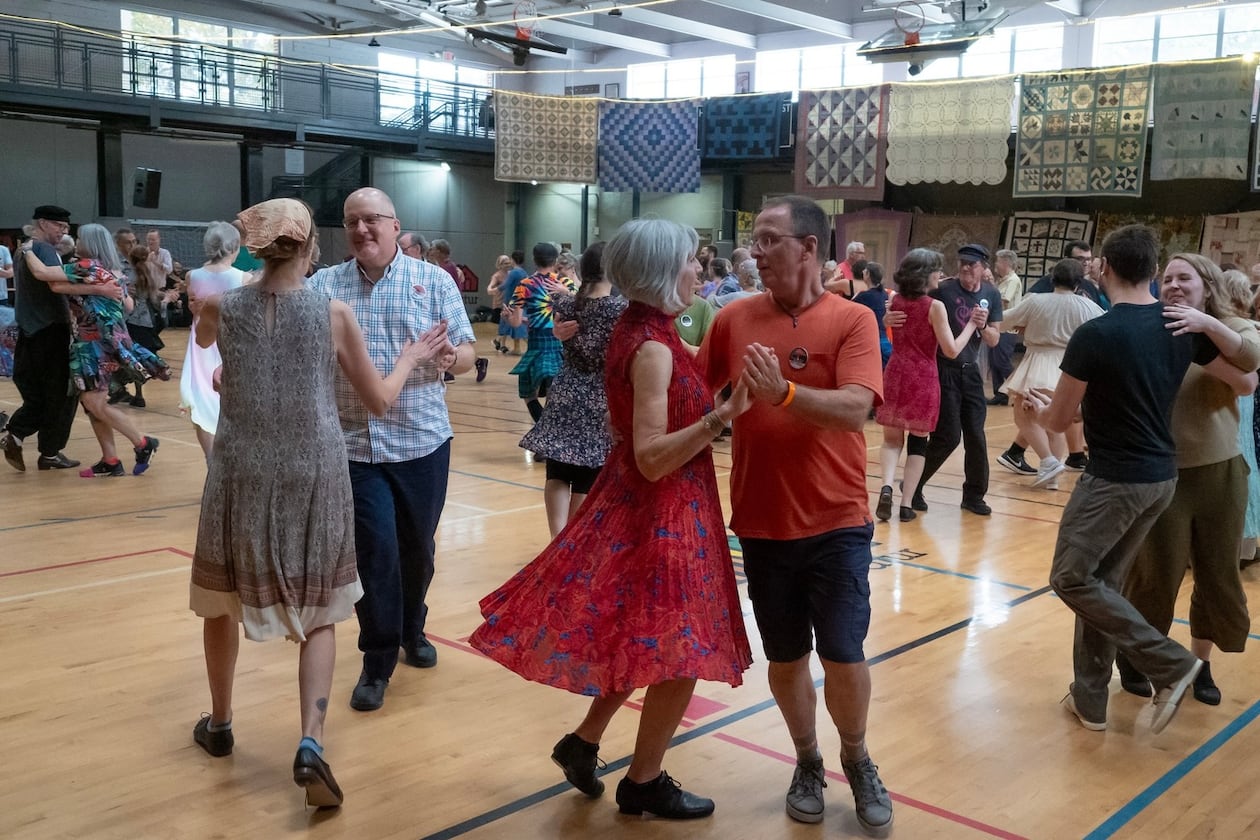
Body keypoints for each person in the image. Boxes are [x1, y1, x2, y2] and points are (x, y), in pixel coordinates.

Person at [471, 218, 753, 820]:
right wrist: (719, 417)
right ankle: (643, 782)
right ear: (659, 270)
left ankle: (584, 742)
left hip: (653, 503)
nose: (700, 270)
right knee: (683, 652)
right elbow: (652, 457)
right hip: (660, 507)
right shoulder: (649, 346)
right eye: (690, 261)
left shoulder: (646, 326)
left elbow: (684, 379)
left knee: (641, 634)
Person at [188, 197, 447, 810]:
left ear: (255, 248)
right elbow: (380, 400)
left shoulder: (222, 307)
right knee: (323, 609)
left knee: (221, 601)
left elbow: (205, 342)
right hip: (315, 469)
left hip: (240, 467)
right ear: (310, 248)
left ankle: (221, 723)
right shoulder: (331, 313)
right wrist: (410, 356)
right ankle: (310, 741)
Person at [697, 195, 892, 834]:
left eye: (770, 239)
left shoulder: (853, 319)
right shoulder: (732, 319)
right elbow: (694, 393)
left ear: (809, 247)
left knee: (842, 652)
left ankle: (857, 757)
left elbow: (856, 409)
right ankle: (807, 759)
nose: (756, 251)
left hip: (836, 519)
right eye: (755, 239)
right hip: (760, 519)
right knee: (785, 658)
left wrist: (780, 391)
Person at [1022, 225, 1257, 735]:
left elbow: (1060, 424)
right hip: (1161, 479)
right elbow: (1245, 379)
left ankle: (1172, 665)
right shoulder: (1178, 327)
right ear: (1153, 272)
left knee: (1071, 577)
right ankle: (1090, 699)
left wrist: (1042, 410)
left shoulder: (1097, 333)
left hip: (1115, 480)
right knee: (1101, 583)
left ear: (1103, 268)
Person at [307, 187, 476, 712]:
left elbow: (469, 351)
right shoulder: (325, 285)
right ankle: (376, 659)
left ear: (394, 224)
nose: (361, 230)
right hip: (354, 448)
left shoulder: (433, 281)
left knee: (417, 549)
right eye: (351, 221)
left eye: (371, 220)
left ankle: (412, 628)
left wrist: (453, 358)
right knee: (375, 554)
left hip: (423, 441)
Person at [1116, 254, 1260, 707]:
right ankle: (1141, 657)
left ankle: (1200, 665)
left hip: (1220, 471)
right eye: (1168, 279)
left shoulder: (1234, 324)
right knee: (1155, 576)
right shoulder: (1149, 325)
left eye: (1185, 278)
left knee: (1218, 574)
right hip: (1161, 471)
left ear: (1207, 284)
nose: (1174, 285)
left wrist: (1204, 328)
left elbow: (1250, 371)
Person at [20, 223, 167, 477]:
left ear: (89, 242)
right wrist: (98, 290)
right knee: (93, 403)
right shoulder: (113, 270)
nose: (76, 241)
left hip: (95, 343)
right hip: (109, 340)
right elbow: (129, 306)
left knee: (92, 400)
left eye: (79, 238)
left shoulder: (86, 265)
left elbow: (43, 273)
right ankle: (110, 460)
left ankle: (143, 443)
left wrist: (27, 249)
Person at [519, 242, 627, 537]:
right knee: (586, 475)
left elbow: (562, 311)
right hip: (599, 395)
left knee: (557, 470)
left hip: (564, 389)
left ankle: (556, 537)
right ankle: (571, 542)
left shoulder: (565, 304)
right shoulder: (620, 309)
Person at [893, 244, 1002, 516]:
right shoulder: (942, 289)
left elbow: (994, 338)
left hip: (971, 371)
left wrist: (983, 326)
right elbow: (908, 301)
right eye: (963, 262)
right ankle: (914, 485)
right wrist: (888, 315)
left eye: (973, 264)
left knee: (976, 435)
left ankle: (974, 496)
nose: (966, 267)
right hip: (942, 370)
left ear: (983, 268)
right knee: (948, 436)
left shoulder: (992, 294)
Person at [875, 249, 981, 523]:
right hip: (922, 376)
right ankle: (907, 504)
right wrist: (971, 325)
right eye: (937, 270)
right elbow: (952, 350)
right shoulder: (935, 307)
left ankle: (886, 485)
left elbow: (889, 328)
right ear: (925, 275)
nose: (940, 274)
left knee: (891, 441)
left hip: (895, 372)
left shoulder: (893, 300)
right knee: (919, 443)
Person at [2, 205, 103, 473]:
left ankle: (19, 435)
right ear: (44, 223)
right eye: (60, 226)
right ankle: (45, 449)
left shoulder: (25, 249)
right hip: (49, 332)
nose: (64, 231)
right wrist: (101, 288)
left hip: (31, 331)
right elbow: (56, 284)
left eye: (66, 227)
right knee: (62, 394)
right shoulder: (44, 250)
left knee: (40, 394)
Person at [993, 258, 1104, 489]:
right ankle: (1052, 476)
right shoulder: (1088, 306)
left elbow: (1003, 321)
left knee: (1024, 417)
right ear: (1078, 283)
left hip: (1038, 362)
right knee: (1056, 423)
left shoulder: (1036, 301)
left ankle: (1049, 461)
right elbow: (1106, 330)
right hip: (1071, 366)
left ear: (1052, 278)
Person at [181, 222, 246, 459]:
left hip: (200, 345)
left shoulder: (192, 276)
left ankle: (211, 460)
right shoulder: (243, 278)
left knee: (201, 400)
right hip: (229, 344)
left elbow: (194, 309)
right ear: (235, 247)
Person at [507, 242, 576, 425]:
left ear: (534, 260)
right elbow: (581, 306)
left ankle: (542, 432)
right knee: (555, 395)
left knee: (528, 393)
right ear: (555, 261)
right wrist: (567, 293)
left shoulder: (525, 284)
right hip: (561, 344)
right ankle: (547, 437)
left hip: (537, 344)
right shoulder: (565, 283)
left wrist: (509, 317)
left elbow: (515, 323)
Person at [427, 238, 487, 382]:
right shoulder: (445, 266)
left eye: (433, 248)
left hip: (449, 310)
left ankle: (476, 362)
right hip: (446, 309)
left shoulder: (447, 268)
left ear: (440, 252)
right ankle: (475, 362)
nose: (430, 250)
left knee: (452, 342)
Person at [987, 249, 1023, 404]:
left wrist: (989, 286)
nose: (995, 264)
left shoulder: (1013, 280)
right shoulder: (1002, 281)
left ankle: (1018, 391)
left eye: (998, 261)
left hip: (1007, 328)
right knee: (994, 361)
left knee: (1002, 361)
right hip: (997, 326)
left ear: (1006, 263)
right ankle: (1000, 394)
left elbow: (1003, 301)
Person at [852, 261, 891, 367]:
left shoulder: (862, 296)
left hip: (869, 342)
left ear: (868, 274)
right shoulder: (885, 294)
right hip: (884, 340)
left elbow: (848, 312)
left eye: (865, 271)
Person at [486, 254, 515, 352]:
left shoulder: (511, 274)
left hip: (509, 302)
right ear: (500, 265)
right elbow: (490, 288)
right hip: (499, 303)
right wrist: (496, 290)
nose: (508, 265)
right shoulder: (496, 276)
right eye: (505, 263)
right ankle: (500, 342)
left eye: (508, 262)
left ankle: (499, 342)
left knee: (507, 323)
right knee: (505, 323)